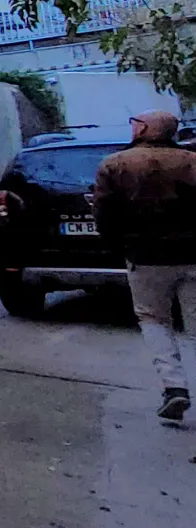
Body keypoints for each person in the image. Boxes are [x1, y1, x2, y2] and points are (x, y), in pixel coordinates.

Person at [93, 111, 196, 422]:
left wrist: (118, 247)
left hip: (146, 256)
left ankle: (174, 387)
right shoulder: (192, 161)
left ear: (147, 129)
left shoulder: (115, 163)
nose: (133, 127)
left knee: (154, 320)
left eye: (136, 123)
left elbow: (104, 214)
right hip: (193, 254)